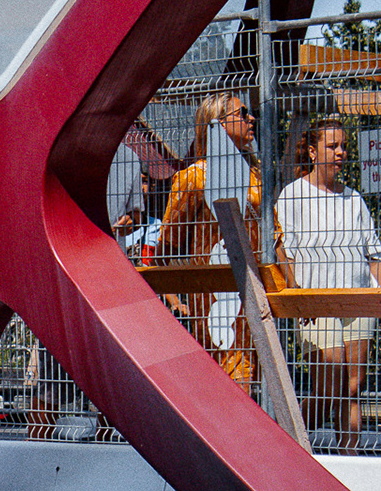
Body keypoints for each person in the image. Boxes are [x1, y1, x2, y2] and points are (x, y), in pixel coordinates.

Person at [275, 115, 381, 449]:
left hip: (358, 299)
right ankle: (287, 446)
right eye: (332, 146)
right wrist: (297, 296)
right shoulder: (293, 195)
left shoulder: (355, 200)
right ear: (312, 151)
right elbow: (283, 250)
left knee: (353, 387)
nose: (340, 153)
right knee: (329, 389)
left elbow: (374, 254)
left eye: (343, 146)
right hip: (315, 303)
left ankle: (349, 458)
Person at [160, 91, 275, 386]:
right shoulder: (194, 177)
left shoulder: (255, 177)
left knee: (251, 384)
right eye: (242, 113)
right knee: (230, 383)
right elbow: (168, 243)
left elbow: (274, 235)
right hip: (215, 301)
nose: (251, 119)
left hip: (255, 294)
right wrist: (176, 295)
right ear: (218, 124)